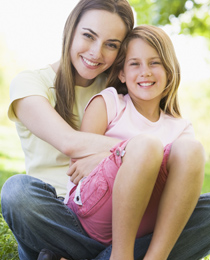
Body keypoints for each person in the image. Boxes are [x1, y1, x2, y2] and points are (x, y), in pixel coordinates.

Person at [0, 0, 210, 259]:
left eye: (111, 45)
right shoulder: (31, 83)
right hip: (56, 215)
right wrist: (129, 153)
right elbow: (69, 142)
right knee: (18, 192)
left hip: (127, 215)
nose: (96, 53)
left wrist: (130, 156)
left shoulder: (119, 85)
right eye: (88, 36)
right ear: (70, 31)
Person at [64, 25, 206, 260]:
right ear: (121, 73)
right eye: (134, 64)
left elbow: (180, 187)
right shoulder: (110, 104)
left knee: (192, 150)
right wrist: (126, 156)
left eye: (154, 63)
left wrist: (117, 156)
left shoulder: (180, 128)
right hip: (92, 214)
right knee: (146, 146)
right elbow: (78, 168)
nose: (145, 72)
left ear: (170, 71)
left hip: (146, 220)